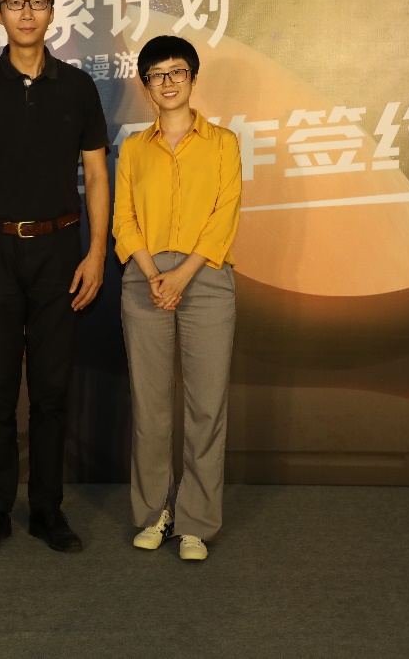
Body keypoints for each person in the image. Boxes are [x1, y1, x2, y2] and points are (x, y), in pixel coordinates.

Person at [0, 0, 110, 554]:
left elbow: (97, 175)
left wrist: (96, 252)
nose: (27, 13)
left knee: (51, 392)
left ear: (52, 12)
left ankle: (47, 511)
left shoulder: (78, 86)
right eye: (15, 3)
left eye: (37, 2)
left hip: (60, 250)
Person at [112, 34, 241, 561]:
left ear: (192, 78)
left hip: (205, 278)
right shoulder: (133, 148)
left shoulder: (223, 142)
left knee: (206, 407)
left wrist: (182, 275)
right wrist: (152, 274)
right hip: (145, 279)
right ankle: (153, 514)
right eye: (157, 75)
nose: (168, 82)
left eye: (177, 72)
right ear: (146, 85)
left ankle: (196, 523)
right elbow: (123, 220)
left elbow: (225, 213)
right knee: (151, 407)